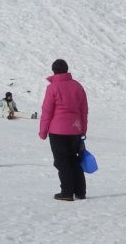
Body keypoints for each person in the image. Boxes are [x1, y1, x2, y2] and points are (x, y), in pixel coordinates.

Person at [39, 59, 88, 201]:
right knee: (74, 160)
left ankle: (66, 192)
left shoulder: (52, 88)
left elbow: (47, 111)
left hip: (57, 131)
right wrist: (83, 129)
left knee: (62, 161)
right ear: (67, 70)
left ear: (53, 71)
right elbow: (83, 111)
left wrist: (43, 131)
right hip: (75, 130)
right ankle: (80, 191)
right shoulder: (77, 86)